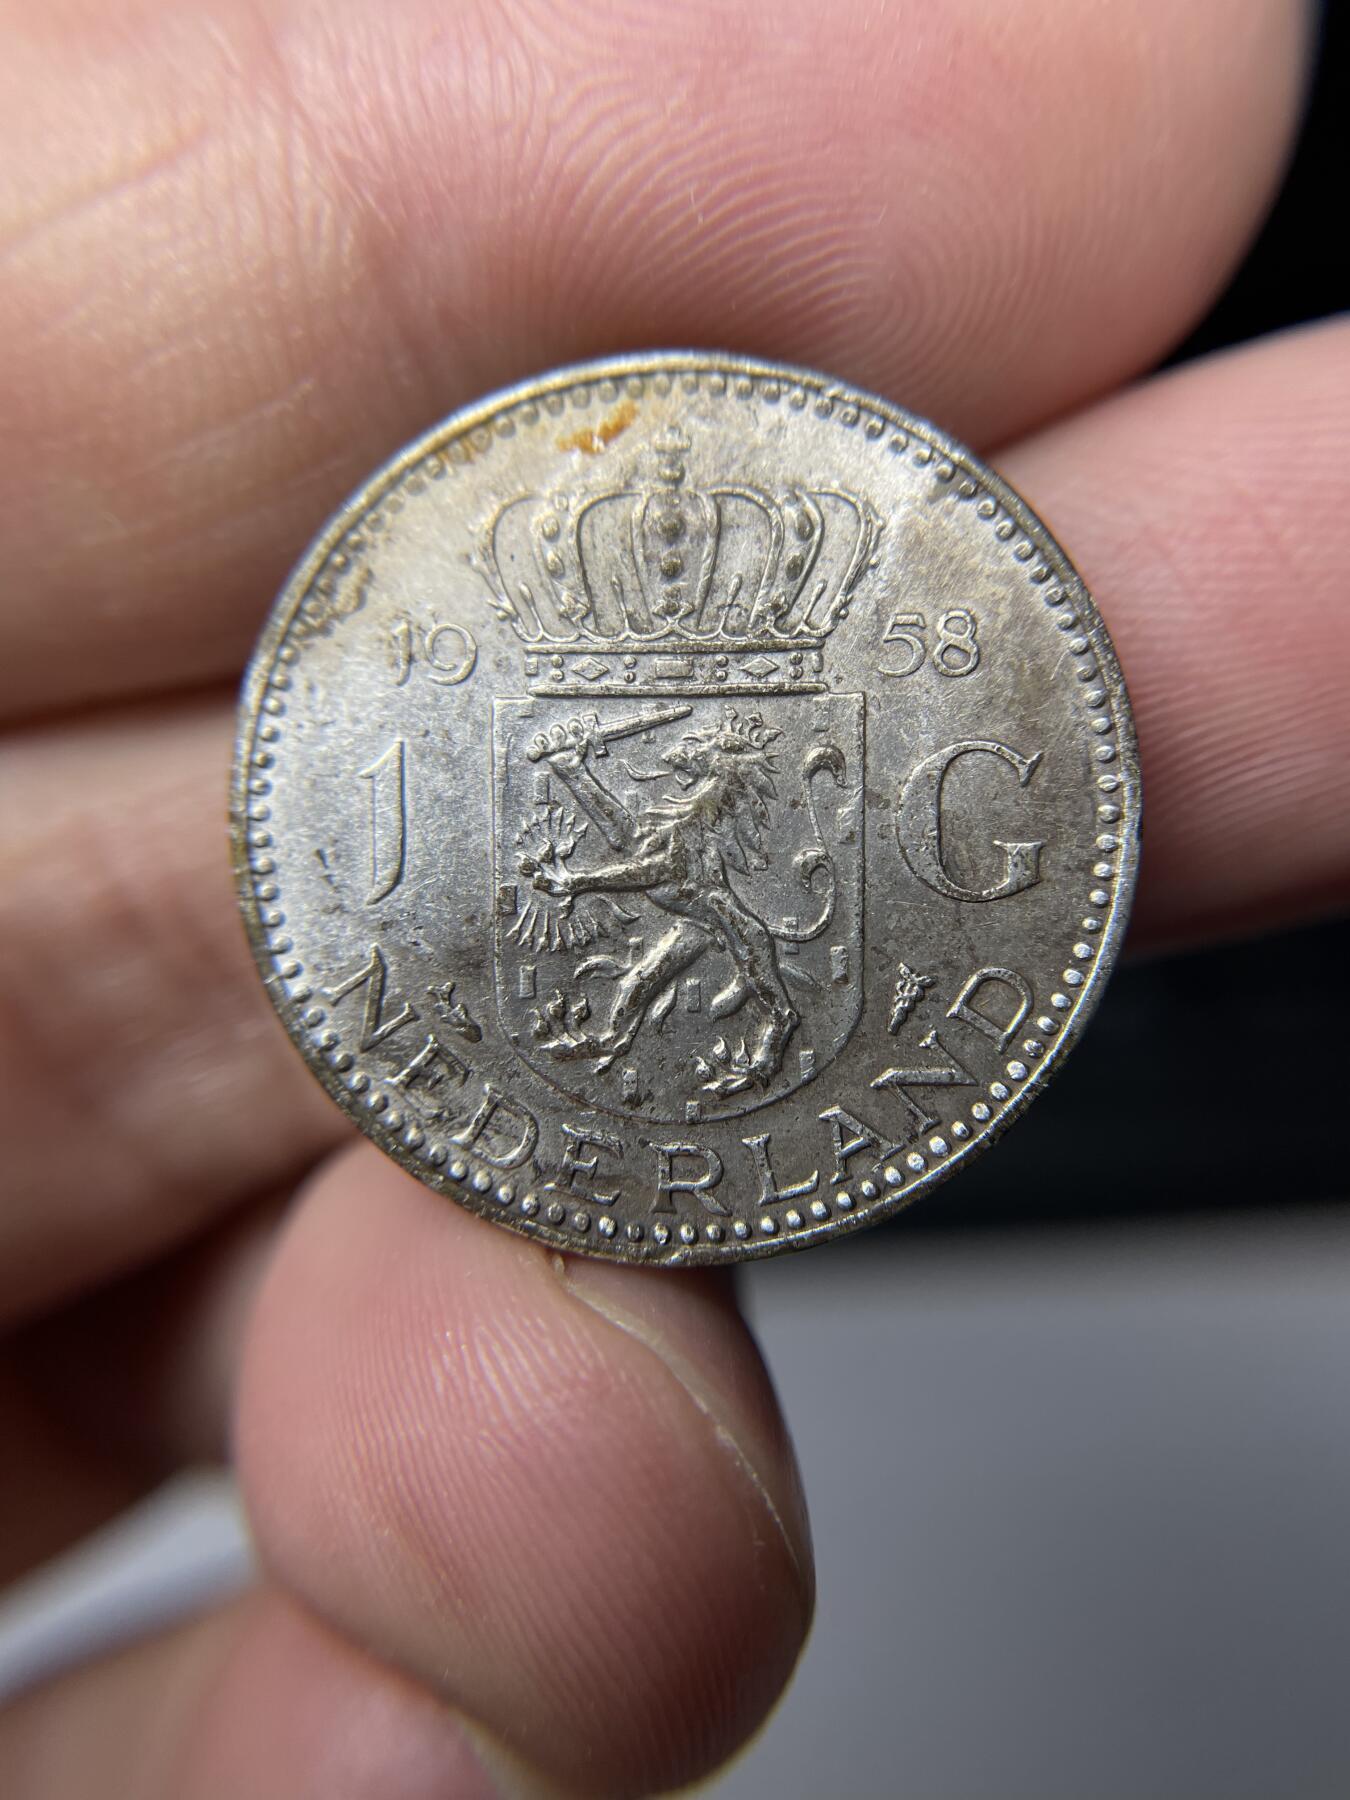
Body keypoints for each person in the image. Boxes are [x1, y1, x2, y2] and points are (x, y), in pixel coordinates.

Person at [0, 1, 1343, 1793]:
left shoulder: (696, 796)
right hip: (680, 927)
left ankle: (684, 1018)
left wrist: (581, 833)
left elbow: (650, 851)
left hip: (699, 920)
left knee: (654, 986)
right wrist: (581, 822)